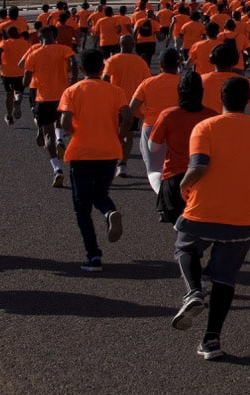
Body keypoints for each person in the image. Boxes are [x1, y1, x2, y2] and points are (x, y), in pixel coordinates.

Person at [169, 76, 250, 359]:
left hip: (203, 209)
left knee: (185, 248)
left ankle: (194, 291)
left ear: (220, 99)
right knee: (225, 278)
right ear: (247, 101)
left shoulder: (205, 127)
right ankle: (211, 340)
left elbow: (199, 166)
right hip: (242, 215)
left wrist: (183, 185)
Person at [58, 50, 133, 271]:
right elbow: (128, 116)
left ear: (81, 69)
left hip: (81, 153)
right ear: (102, 68)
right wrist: (118, 136)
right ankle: (109, 212)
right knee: (100, 194)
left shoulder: (72, 91)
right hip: (108, 151)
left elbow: (64, 121)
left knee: (82, 208)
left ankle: (93, 256)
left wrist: (76, 134)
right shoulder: (115, 90)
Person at [149, 71, 216, 224]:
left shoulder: (168, 115)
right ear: (201, 92)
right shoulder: (213, 116)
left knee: (179, 223)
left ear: (179, 91)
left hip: (174, 176)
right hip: (204, 176)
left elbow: (153, 147)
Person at [21, 26, 77, 189]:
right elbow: (73, 62)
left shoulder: (34, 54)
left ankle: (57, 169)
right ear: (54, 36)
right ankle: (60, 139)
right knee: (60, 122)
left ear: (39, 38)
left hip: (43, 98)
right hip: (62, 96)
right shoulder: (63, 49)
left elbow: (26, 80)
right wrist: (73, 80)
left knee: (47, 134)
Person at [104, 35, 152, 178]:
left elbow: (105, 80)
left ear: (119, 44)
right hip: (133, 104)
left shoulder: (113, 60)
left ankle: (111, 160)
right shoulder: (141, 62)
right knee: (128, 136)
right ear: (133, 44)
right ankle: (122, 164)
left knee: (112, 133)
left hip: (113, 104)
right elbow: (147, 83)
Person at [0, 26, 30, 125]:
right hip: (21, 72)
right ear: (18, 33)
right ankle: (18, 101)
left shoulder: (5, 43)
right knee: (18, 91)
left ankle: (9, 115)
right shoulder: (25, 43)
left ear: (8, 34)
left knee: (8, 93)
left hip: (7, 72)